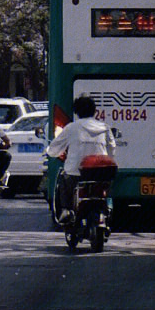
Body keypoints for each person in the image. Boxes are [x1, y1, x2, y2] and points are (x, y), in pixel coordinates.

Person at [46, 92, 116, 223]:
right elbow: (112, 149)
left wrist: (51, 152)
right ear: (94, 111)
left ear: (77, 112)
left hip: (76, 173)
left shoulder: (71, 128)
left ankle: (66, 211)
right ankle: (108, 207)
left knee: (63, 180)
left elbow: (54, 149)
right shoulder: (104, 127)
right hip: (101, 173)